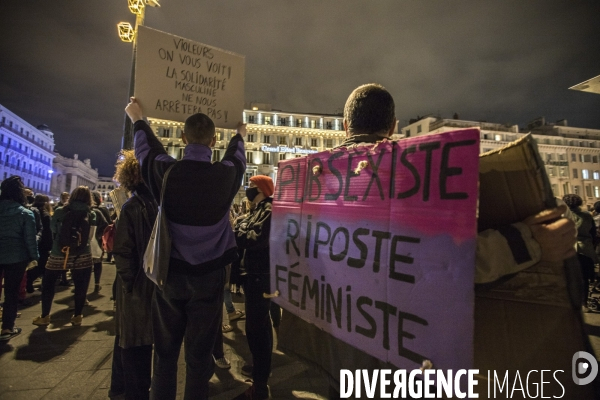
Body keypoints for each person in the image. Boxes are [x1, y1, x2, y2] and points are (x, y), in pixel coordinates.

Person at [283, 83, 578, 399]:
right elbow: (444, 261)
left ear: (345, 126)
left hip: (334, 355)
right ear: (393, 125)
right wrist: (529, 242)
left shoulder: (308, 184)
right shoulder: (406, 175)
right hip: (394, 361)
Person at [125, 97, 246, 400]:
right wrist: (240, 134)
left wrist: (138, 119)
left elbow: (146, 151)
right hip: (209, 277)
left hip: (171, 275)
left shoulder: (167, 171)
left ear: (182, 138)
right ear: (213, 140)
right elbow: (238, 157)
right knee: (199, 358)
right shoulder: (226, 174)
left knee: (164, 355)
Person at [109, 150, 157, 400]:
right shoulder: (137, 206)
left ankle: (118, 389)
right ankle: (134, 393)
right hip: (138, 286)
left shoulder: (143, 203)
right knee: (136, 343)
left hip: (137, 284)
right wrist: (131, 284)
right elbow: (123, 251)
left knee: (127, 338)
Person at [233, 175, 274, 400]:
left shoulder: (268, 209)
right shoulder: (258, 209)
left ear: (262, 189)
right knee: (258, 326)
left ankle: (260, 384)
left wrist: (237, 232)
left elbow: (256, 237)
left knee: (257, 328)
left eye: (251, 187)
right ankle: (260, 369)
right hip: (254, 275)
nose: (248, 190)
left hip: (261, 276)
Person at [32, 186, 96, 327]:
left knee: (48, 285)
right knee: (81, 286)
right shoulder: (91, 214)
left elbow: (53, 229)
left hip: (58, 252)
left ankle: (45, 316)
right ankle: (77, 316)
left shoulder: (60, 211)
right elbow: (90, 236)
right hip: (82, 254)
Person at [0, 176, 38, 341]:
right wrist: (34, 257)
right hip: (16, 257)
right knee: (11, 292)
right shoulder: (25, 213)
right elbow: (30, 239)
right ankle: (7, 327)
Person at [563, 194, 598, 308]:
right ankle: (584, 304)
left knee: (568, 278)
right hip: (585, 250)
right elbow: (593, 234)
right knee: (584, 278)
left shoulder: (562, 217)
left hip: (567, 250)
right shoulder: (587, 216)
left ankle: (571, 303)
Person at [26, 195, 53, 293]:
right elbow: (47, 231)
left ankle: (29, 286)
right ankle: (30, 286)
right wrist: (50, 245)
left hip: (33, 242)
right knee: (41, 266)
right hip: (43, 244)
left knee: (32, 265)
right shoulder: (45, 214)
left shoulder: (31, 211)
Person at [91, 191, 109, 292]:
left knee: (87, 264)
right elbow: (107, 224)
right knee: (97, 262)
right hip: (98, 240)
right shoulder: (101, 210)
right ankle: (97, 283)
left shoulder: (88, 210)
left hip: (85, 242)